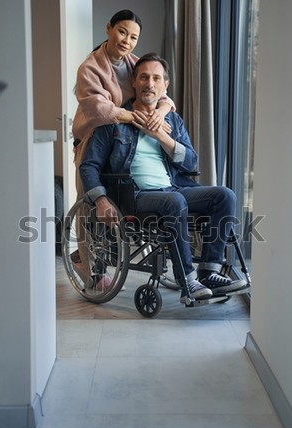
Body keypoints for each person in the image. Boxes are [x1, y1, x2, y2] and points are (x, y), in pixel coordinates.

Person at [79, 53, 247, 303]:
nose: (150, 83)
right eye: (144, 77)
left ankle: (210, 272)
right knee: (175, 201)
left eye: (156, 78)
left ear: (164, 86)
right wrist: (101, 200)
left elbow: (191, 162)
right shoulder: (115, 121)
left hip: (173, 188)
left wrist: (161, 136)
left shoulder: (172, 120)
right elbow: (89, 165)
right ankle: (187, 281)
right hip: (133, 196)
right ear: (134, 82)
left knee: (225, 196)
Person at [72, 9, 175, 198]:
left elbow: (161, 94)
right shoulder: (89, 69)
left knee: (124, 201)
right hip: (93, 141)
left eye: (133, 37)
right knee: (91, 206)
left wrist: (160, 115)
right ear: (108, 28)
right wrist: (142, 119)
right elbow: (100, 109)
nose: (127, 41)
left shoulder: (134, 63)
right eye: (122, 32)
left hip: (122, 141)